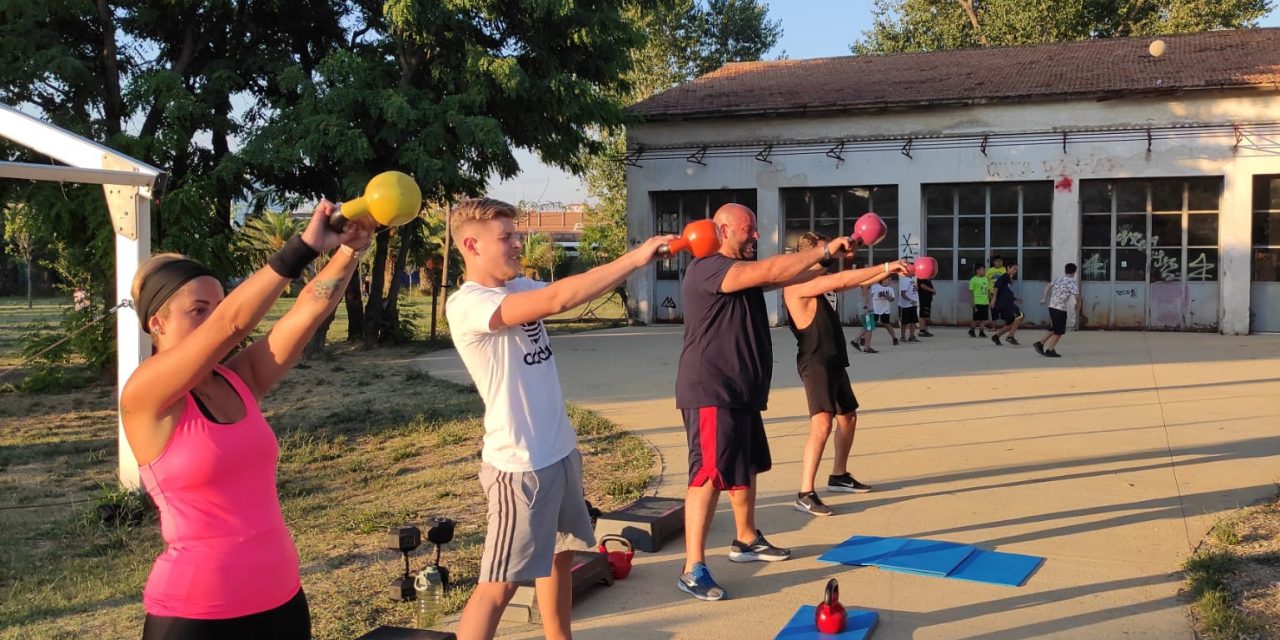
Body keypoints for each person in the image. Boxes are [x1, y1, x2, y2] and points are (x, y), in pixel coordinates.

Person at [120, 201, 375, 639]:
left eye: (217, 305)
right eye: (199, 310)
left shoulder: (238, 379)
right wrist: (304, 246)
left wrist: (349, 251)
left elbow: (308, 312)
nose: (213, 318)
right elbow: (232, 324)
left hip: (281, 598)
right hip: (195, 615)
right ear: (156, 322)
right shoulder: (145, 396)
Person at [444, 198, 670, 640]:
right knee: (500, 585)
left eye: (516, 234)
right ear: (472, 245)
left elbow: (575, 285)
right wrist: (638, 256)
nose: (517, 244)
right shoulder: (468, 304)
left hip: (560, 452)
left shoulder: (519, 286)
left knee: (560, 556)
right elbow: (560, 297)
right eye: (506, 236)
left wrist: (635, 263)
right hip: (519, 466)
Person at [675, 203, 853, 601]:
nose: (755, 235)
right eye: (747, 229)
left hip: (741, 392)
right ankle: (692, 568)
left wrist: (830, 259)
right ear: (722, 230)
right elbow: (774, 271)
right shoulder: (710, 268)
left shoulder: (739, 275)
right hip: (712, 392)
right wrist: (823, 251)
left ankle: (745, 539)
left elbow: (786, 275)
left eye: (755, 229)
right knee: (707, 476)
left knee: (746, 468)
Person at [783, 233, 907, 517]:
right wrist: (886, 267)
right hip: (815, 363)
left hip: (835, 360)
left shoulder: (819, 282)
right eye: (822, 252)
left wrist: (881, 271)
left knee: (848, 417)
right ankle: (805, 493)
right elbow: (840, 281)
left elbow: (853, 281)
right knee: (822, 425)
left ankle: (839, 475)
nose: (828, 256)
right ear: (808, 256)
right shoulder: (797, 285)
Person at [1035, 263, 1082, 358]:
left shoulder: (1058, 279)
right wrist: (1078, 305)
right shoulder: (1072, 282)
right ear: (1074, 272)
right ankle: (1050, 350)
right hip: (1060, 309)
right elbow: (1077, 296)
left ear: (1065, 270)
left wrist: (1044, 298)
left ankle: (1040, 343)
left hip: (1052, 307)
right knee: (1059, 331)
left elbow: (1048, 286)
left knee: (1055, 328)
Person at [991, 263, 1024, 346]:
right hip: (1004, 303)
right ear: (1008, 268)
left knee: (1011, 323)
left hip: (1007, 302)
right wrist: (993, 299)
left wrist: (1015, 298)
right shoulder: (1004, 276)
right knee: (1020, 315)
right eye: (1014, 268)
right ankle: (1010, 336)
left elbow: (1007, 292)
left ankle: (996, 336)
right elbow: (996, 286)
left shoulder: (1009, 279)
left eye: (1016, 269)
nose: (1015, 271)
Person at [867, 279, 900, 347]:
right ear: (883, 280)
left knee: (887, 324)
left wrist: (888, 297)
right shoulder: (875, 287)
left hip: (885, 309)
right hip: (874, 309)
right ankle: (864, 338)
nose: (889, 281)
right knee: (870, 324)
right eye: (888, 280)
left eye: (890, 280)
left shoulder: (890, 289)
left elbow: (892, 299)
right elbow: (869, 295)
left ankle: (894, 338)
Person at [986, 255, 1007, 335]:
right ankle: (994, 326)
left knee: (1004, 309)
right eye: (997, 261)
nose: (999, 263)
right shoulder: (990, 270)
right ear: (993, 262)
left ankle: (1006, 326)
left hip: (1002, 293)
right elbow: (986, 282)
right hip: (992, 293)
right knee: (993, 310)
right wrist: (988, 294)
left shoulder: (1004, 269)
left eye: (1000, 261)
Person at [968, 264, 990, 338]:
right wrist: (972, 302)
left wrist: (990, 299)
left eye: (984, 269)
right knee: (976, 319)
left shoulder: (986, 279)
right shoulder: (973, 280)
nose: (984, 271)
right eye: (983, 269)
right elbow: (971, 291)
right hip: (977, 302)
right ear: (977, 270)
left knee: (984, 318)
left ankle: (981, 331)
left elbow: (988, 290)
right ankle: (972, 330)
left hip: (985, 302)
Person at [897, 272, 920, 342]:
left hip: (913, 305)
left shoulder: (912, 280)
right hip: (905, 306)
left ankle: (912, 336)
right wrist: (910, 300)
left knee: (914, 321)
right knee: (905, 322)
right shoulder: (904, 280)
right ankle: (903, 337)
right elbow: (903, 294)